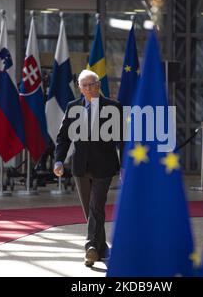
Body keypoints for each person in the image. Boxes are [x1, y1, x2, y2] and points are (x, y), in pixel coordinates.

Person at [53, 69, 123, 267]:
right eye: (85, 86)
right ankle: (101, 247)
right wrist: (58, 160)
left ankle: (90, 247)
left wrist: (125, 164)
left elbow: (122, 139)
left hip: (105, 165)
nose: (89, 89)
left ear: (99, 85)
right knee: (90, 210)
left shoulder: (113, 106)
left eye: (92, 84)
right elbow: (63, 137)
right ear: (79, 88)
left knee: (96, 206)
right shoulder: (72, 106)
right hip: (81, 166)